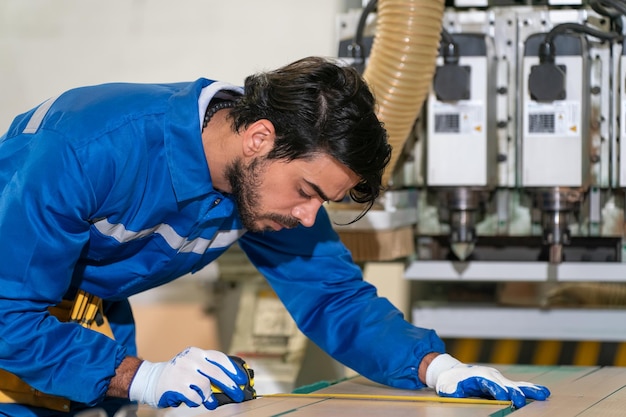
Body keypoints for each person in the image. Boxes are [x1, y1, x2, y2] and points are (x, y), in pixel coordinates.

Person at [0, 56, 550, 416]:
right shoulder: (91, 149)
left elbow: (332, 295)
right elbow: (6, 310)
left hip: (84, 323)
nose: (310, 218)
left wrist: (435, 367)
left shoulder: (261, 187)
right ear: (259, 138)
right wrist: (140, 377)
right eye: (307, 191)